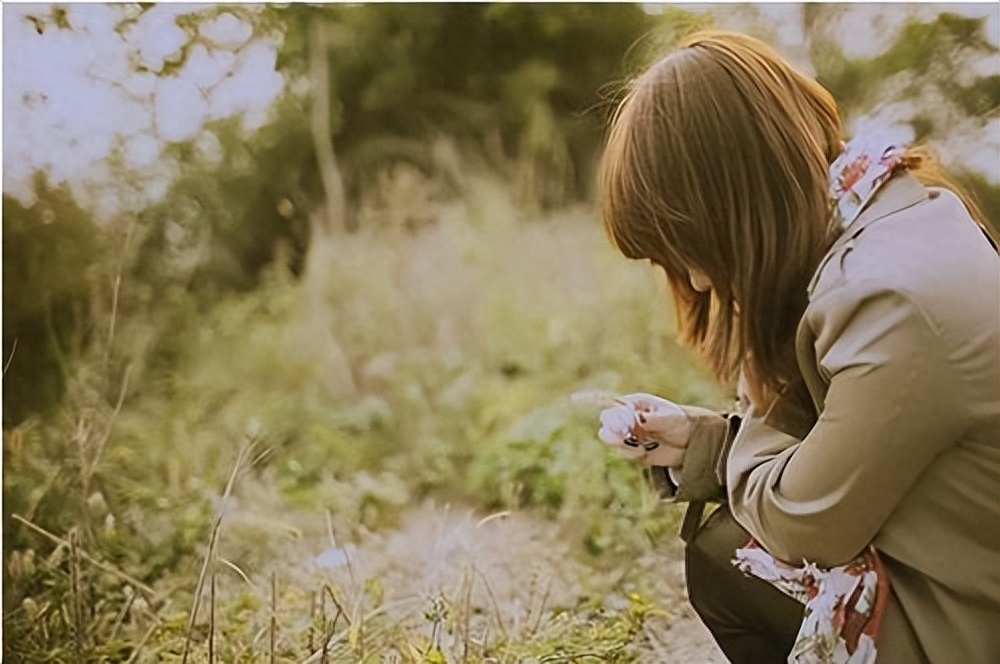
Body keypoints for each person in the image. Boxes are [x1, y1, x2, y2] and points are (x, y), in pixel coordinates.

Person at [594, 30, 999, 664]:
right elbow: (866, 448)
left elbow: (804, 525)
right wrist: (710, 443)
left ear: (735, 202)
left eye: (687, 246)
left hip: (973, 628)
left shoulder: (890, 303)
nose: (697, 280)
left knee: (727, 557)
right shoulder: (899, 225)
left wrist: (754, 394)